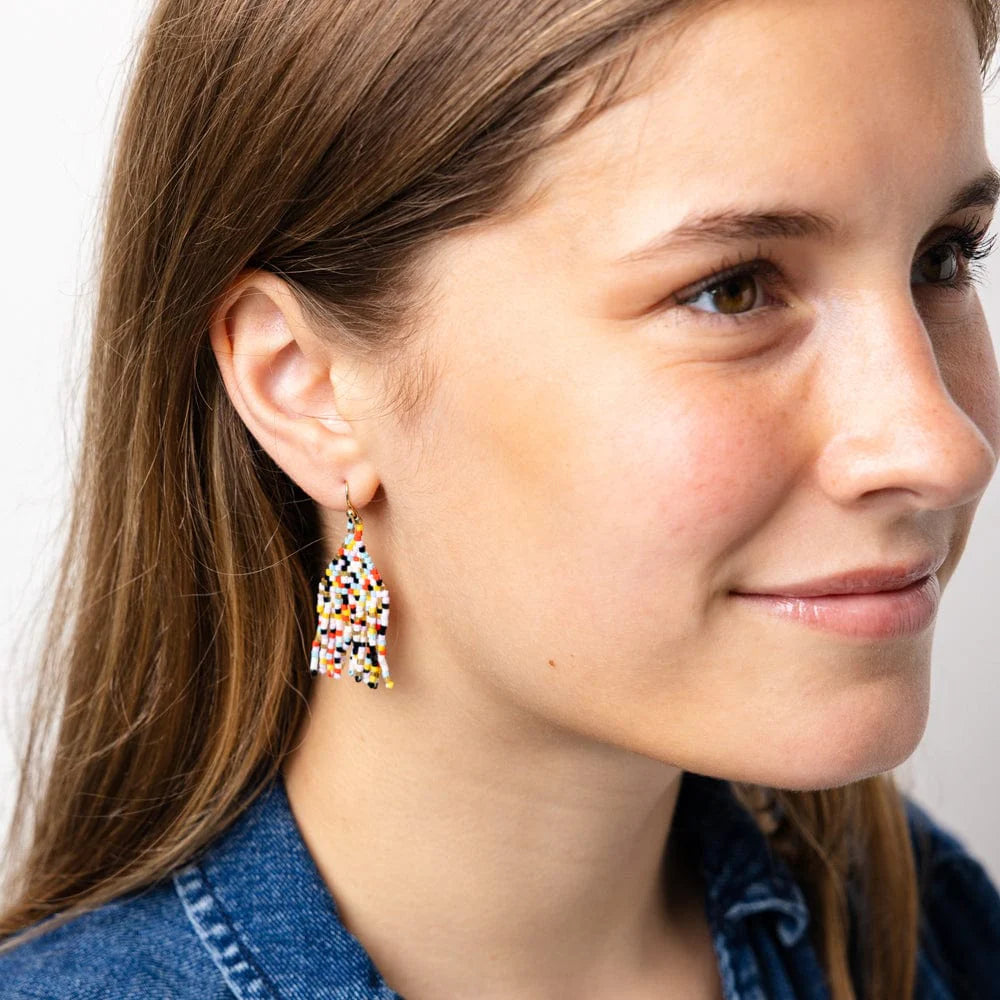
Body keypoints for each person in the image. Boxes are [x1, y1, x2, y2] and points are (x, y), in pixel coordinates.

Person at [2, 0, 1000, 996]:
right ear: (305, 383)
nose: (938, 444)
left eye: (942, 256)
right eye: (731, 288)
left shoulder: (934, 939)